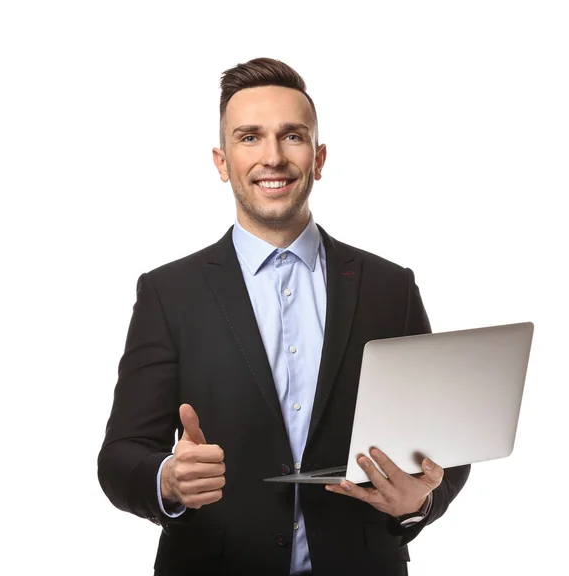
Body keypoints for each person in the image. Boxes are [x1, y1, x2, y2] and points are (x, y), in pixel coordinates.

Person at [98, 57, 470, 576]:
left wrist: (419, 502)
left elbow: (445, 449)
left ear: (318, 158)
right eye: (249, 137)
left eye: (292, 136)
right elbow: (120, 457)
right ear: (221, 161)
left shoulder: (391, 287)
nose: (272, 157)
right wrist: (167, 479)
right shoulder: (168, 292)